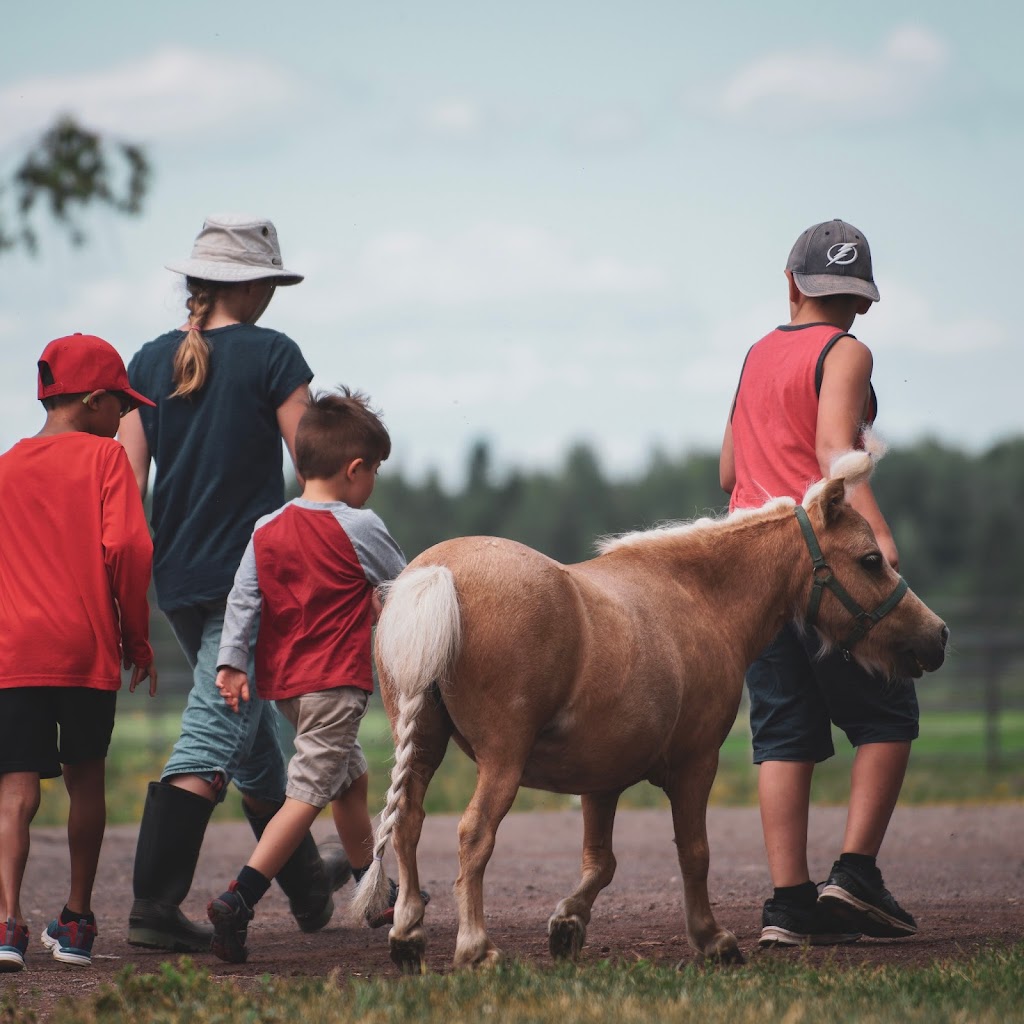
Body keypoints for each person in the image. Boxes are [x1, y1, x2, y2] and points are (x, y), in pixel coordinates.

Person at [118, 214, 350, 952]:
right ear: (250, 285)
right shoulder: (273, 354)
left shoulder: (149, 362)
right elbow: (315, 461)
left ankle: (310, 891)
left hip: (177, 575)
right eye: (271, 285)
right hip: (251, 578)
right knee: (215, 735)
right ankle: (154, 907)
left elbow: (124, 483)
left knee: (251, 742)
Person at [719, 219, 920, 948]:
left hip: (751, 568)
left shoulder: (754, 355)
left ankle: (788, 905)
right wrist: (882, 542)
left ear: (791, 282)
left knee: (782, 734)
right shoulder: (848, 352)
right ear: (861, 300)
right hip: (822, 563)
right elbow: (836, 452)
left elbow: (728, 474)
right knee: (890, 712)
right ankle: (857, 875)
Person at [206, 388, 421, 963]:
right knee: (304, 797)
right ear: (355, 470)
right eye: (373, 469)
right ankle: (238, 899)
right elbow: (406, 588)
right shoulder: (360, 526)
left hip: (289, 690)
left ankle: (372, 890)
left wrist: (231, 661)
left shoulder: (266, 528)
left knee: (348, 780)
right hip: (335, 685)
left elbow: (242, 600)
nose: (373, 480)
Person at [0, 334, 158, 972]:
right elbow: (129, 548)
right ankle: (75, 921)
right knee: (85, 777)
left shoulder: (6, 465)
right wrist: (135, 637)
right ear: (92, 400)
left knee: (14, 791)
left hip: (13, 649)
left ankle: (7, 924)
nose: (126, 416)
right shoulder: (107, 460)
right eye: (120, 404)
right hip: (85, 645)